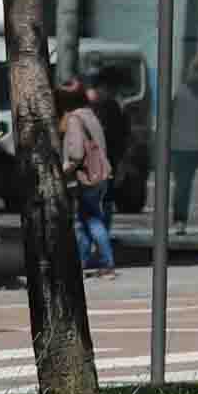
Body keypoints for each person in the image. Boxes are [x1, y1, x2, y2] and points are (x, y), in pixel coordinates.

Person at [59, 77, 117, 275]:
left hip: (86, 177)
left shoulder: (75, 119)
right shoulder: (90, 115)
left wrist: (63, 169)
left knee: (92, 220)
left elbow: (76, 153)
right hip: (100, 174)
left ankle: (107, 262)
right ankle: (82, 262)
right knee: (86, 221)